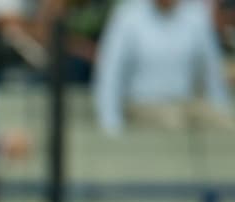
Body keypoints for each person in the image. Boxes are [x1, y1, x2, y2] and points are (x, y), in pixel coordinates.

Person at [93, 0, 230, 135]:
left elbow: (211, 70)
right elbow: (110, 72)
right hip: (143, 105)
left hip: (186, 103)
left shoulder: (196, 15)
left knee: (227, 124)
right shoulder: (128, 15)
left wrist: (220, 108)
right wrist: (111, 123)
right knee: (174, 123)